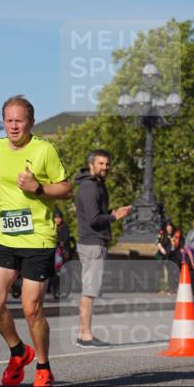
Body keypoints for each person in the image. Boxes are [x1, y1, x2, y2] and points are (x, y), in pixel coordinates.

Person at [0, 95, 71, 387]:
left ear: (30, 122)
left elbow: (66, 188)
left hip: (38, 238)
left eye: (19, 120)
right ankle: (18, 350)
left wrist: (39, 188)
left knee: (31, 308)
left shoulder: (44, 150)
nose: (14, 125)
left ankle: (43, 368)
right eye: (9, 120)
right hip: (4, 236)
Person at [73, 149, 132, 348]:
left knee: (88, 290)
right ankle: (86, 335)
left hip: (91, 242)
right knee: (90, 291)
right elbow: (93, 219)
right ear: (91, 165)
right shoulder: (90, 187)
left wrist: (111, 213)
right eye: (101, 163)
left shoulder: (93, 185)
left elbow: (96, 213)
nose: (105, 167)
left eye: (107, 164)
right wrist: (115, 217)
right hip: (92, 243)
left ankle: (83, 332)